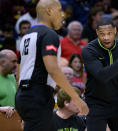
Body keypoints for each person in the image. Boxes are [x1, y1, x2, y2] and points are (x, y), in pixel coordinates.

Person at [15, 0, 89, 130]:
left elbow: (19, 73)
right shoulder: (49, 34)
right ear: (49, 11)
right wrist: (75, 97)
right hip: (38, 94)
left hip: (22, 95)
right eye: (59, 11)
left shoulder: (27, 36)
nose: (63, 15)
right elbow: (53, 69)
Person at [81, 18, 118, 131]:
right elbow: (102, 76)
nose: (106, 38)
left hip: (117, 103)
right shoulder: (89, 50)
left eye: (109, 33)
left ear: (115, 31)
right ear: (97, 33)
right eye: (102, 34)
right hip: (95, 104)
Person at [0, 49, 17, 118]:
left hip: (11, 123)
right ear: (3, 62)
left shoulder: (12, 77)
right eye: (13, 62)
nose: (16, 65)